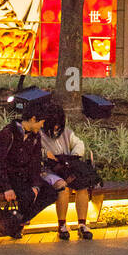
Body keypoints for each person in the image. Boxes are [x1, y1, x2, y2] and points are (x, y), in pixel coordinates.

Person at [0, 100, 60, 238]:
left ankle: (20, 221)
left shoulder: (35, 136)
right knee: (26, 196)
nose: (42, 126)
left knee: (51, 193)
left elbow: (35, 163)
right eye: (41, 122)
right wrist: (6, 187)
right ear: (32, 119)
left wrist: (36, 185)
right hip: (6, 176)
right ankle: (15, 224)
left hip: (23, 176)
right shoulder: (8, 133)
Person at [40, 101, 95, 241]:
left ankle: (82, 223)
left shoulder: (66, 132)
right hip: (48, 170)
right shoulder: (39, 134)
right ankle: (62, 225)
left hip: (66, 167)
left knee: (82, 185)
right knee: (63, 188)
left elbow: (78, 144)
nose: (57, 127)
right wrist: (45, 153)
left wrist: (74, 156)